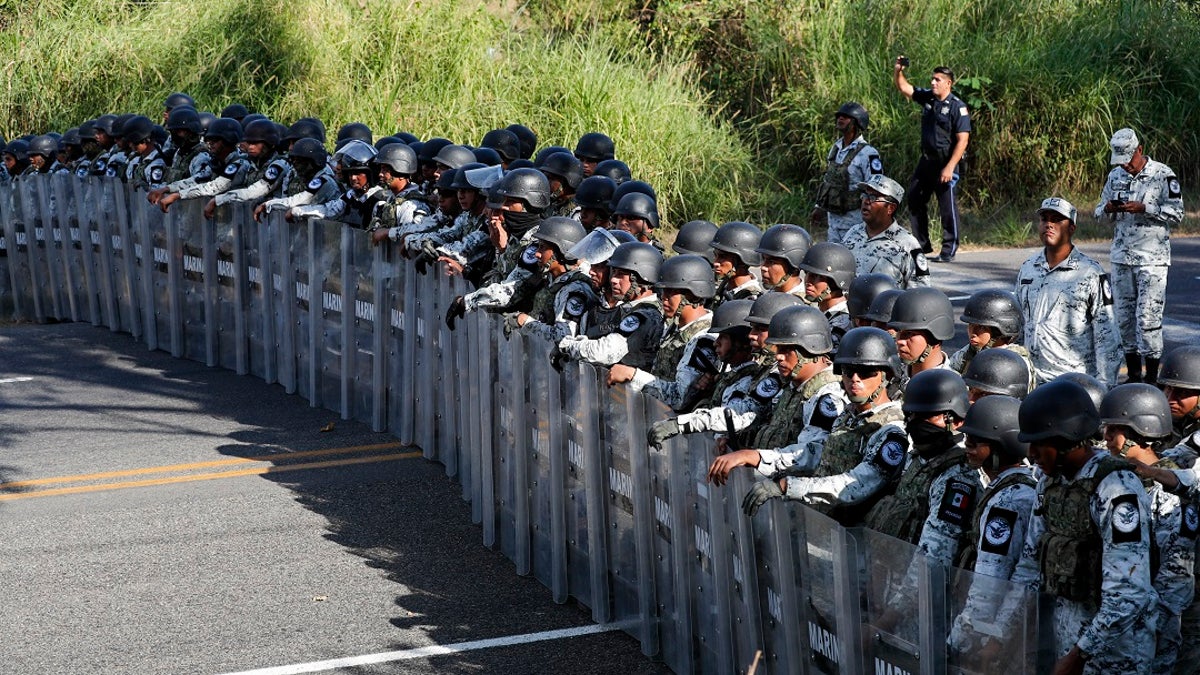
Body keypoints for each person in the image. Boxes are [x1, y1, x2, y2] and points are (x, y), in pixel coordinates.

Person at [997, 380, 1156, 674]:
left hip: (1117, 654)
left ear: (1065, 440)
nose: (1031, 454)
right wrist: (1002, 629)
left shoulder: (1116, 489)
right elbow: (1030, 564)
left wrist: (1079, 656)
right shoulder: (1050, 482)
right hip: (1070, 641)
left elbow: (1128, 593)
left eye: (1039, 444)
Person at [742, 326, 909, 526]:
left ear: (887, 376)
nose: (855, 379)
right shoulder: (847, 417)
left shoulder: (892, 431)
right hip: (822, 527)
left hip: (855, 540)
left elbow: (856, 485)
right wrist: (759, 458)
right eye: (848, 371)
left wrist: (789, 486)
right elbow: (814, 453)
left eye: (866, 372)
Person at [1100, 384, 1196, 674]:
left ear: (1138, 436)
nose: (1104, 438)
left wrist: (1151, 634)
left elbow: (1175, 583)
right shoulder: (1122, 481)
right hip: (1121, 620)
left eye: (1112, 431)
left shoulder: (1167, 495)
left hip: (1152, 631)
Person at [705, 304, 846, 485]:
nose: (779, 357)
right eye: (778, 350)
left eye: (786, 350)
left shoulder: (829, 396)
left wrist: (753, 456)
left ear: (811, 349)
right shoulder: (792, 384)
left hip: (794, 495)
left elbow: (810, 453)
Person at [947, 395, 1036, 668]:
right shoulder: (1020, 487)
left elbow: (991, 581)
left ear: (1001, 446)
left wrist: (959, 641)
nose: (967, 447)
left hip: (992, 639)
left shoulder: (1006, 503)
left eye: (975, 442)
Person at [1093, 128, 1184, 385]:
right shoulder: (1115, 175)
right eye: (1121, 161)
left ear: (1140, 150)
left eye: (1129, 160)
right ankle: (1133, 375)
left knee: (1148, 318)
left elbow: (1177, 214)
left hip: (1152, 259)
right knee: (1123, 318)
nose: (1126, 166)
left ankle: (1152, 378)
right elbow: (1099, 210)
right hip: (1122, 257)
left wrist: (1146, 208)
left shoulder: (1163, 175)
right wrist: (1109, 208)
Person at [1014, 197, 1121, 387]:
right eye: (1044, 219)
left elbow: (1107, 336)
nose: (1049, 224)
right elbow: (1018, 323)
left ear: (1072, 228)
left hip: (1072, 383)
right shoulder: (1028, 268)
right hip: (1031, 379)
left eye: (1056, 220)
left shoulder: (1090, 272)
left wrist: (1104, 388)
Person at [608, 254, 716, 411]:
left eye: (671, 291)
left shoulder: (704, 339)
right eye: (663, 291)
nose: (664, 298)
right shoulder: (676, 327)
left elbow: (680, 397)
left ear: (693, 295)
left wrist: (633, 375)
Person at [893, 58, 971, 262]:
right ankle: (922, 246)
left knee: (947, 207)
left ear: (948, 83)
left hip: (946, 162)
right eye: (932, 79)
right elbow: (904, 88)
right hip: (926, 161)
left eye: (937, 80)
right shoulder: (928, 99)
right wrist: (898, 70)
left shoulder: (957, 107)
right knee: (914, 198)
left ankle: (948, 249)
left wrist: (950, 167)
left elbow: (963, 140)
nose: (933, 83)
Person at [554, 241, 664, 371]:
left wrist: (567, 346)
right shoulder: (633, 308)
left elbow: (605, 352)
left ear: (642, 278)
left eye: (621, 274)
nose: (613, 279)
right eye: (614, 272)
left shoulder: (646, 315)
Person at [811, 102, 883, 243]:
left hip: (855, 223)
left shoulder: (868, 153)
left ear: (857, 123)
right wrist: (819, 207)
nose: (840, 119)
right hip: (833, 222)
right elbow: (828, 180)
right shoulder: (836, 148)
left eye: (846, 117)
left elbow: (876, 186)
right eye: (839, 116)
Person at [840, 174, 931, 288]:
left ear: (890, 208)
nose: (866, 201)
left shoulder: (908, 245)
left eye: (873, 197)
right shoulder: (852, 233)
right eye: (864, 195)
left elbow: (920, 293)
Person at [796, 242, 855, 350]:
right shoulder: (822, 312)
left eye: (815, 276)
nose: (808, 281)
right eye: (807, 274)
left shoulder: (842, 322)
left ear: (835, 281)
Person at [710, 221, 764, 306]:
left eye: (722, 257)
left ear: (742, 261)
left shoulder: (750, 299)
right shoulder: (724, 287)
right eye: (715, 256)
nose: (715, 263)